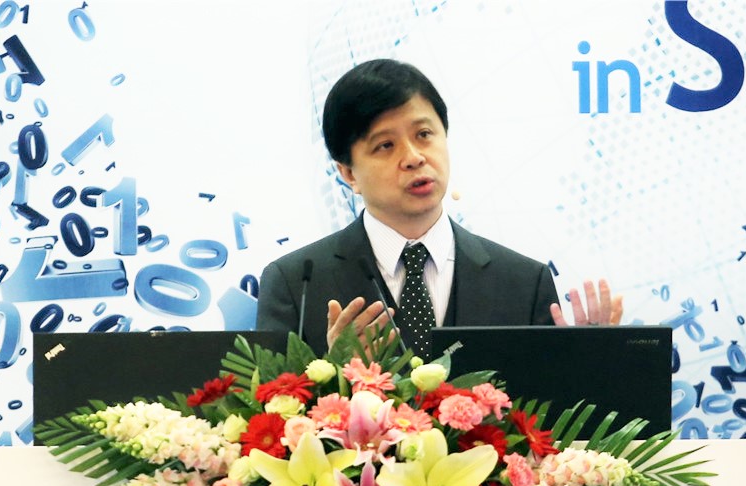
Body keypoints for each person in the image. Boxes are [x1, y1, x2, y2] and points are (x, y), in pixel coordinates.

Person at [256, 59, 622, 356]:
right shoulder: (296, 285)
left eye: (424, 135)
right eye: (385, 145)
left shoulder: (523, 282)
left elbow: (550, 414)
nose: (414, 157)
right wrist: (334, 373)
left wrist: (592, 361)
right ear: (349, 173)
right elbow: (268, 413)